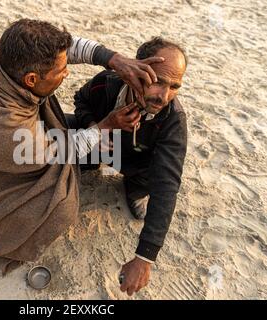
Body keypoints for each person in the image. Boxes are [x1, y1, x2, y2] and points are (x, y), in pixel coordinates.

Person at [0, 19, 162, 276]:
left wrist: (114, 60)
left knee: (81, 134)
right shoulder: (5, 126)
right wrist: (107, 125)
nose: (67, 73)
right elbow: (60, 152)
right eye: (60, 71)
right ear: (31, 79)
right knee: (61, 207)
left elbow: (67, 51)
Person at [73, 37, 188, 296]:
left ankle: (134, 191)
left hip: (136, 165)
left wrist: (145, 257)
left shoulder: (173, 122)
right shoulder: (108, 82)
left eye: (174, 86)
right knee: (61, 131)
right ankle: (85, 166)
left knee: (156, 174)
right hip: (100, 145)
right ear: (135, 70)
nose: (163, 96)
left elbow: (166, 188)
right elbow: (80, 99)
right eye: (157, 81)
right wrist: (95, 128)